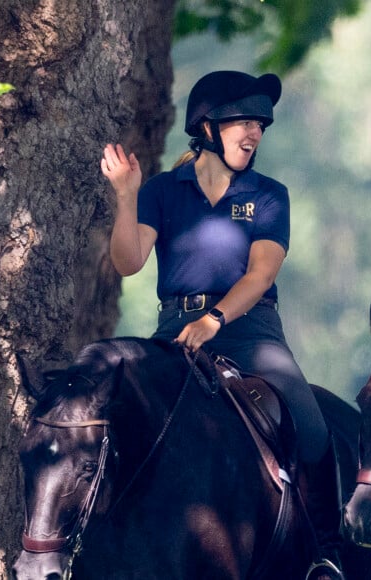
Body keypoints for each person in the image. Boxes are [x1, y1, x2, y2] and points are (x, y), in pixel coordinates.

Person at [101, 70, 345, 580]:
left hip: (250, 330)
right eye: (243, 122)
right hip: (174, 329)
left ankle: (325, 551)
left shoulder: (270, 194)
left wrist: (215, 319)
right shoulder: (165, 191)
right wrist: (127, 195)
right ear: (207, 126)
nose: (254, 133)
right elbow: (128, 262)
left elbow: (261, 275)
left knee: (315, 428)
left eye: (260, 124)